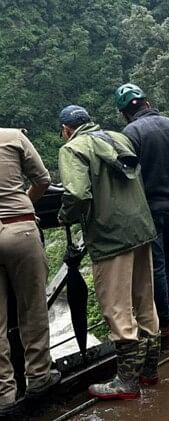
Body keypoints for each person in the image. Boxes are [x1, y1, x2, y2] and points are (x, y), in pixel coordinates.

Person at [58, 105, 159, 399]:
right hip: (141, 227)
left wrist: (66, 215)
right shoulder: (118, 138)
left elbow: (77, 193)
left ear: (66, 129)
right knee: (144, 300)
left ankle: (126, 383)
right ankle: (150, 371)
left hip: (110, 236)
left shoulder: (73, 148)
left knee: (117, 308)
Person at [116, 83, 169, 335]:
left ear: (125, 111)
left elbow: (128, 174)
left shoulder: (131, 133)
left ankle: (165, 321)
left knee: (156, 265)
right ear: (147, 102)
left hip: (149, 208)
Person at [0, 128, 59, 415]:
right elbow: (43, 180)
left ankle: (5, 395)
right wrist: (23, 200)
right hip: (20, 227)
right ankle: (38, 379)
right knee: (33, 310)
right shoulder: (12, 137)